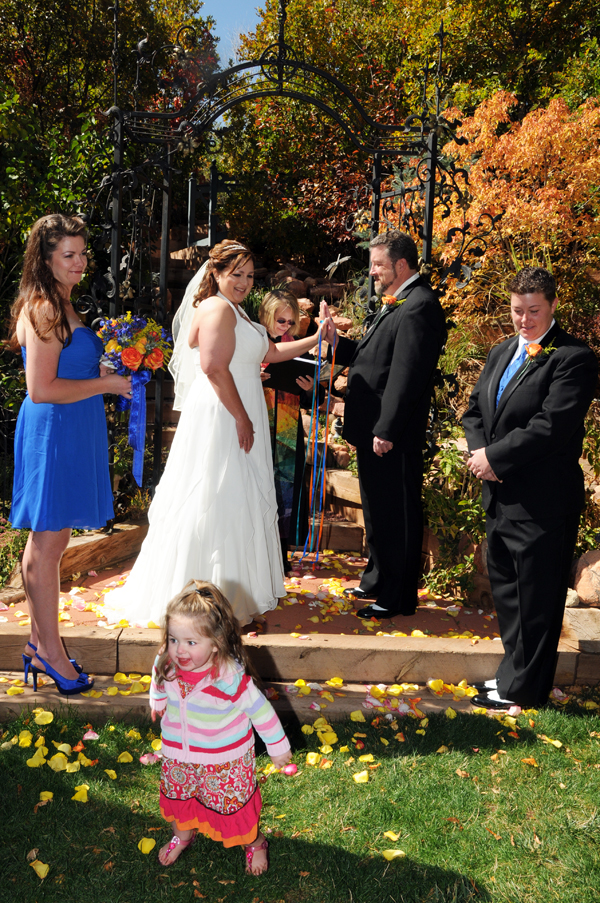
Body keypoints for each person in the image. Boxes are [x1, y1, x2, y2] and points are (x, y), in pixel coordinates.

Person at [103, 240, 329, 627]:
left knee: (236, 497)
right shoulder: (216, 308)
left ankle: (230, 590)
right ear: (216, 274)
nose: (243, 282)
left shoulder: (235, 311)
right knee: (215, 495)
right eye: (235, 274)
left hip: (238, 406)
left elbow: (269, 354)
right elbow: (211, 366)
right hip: (224, 413)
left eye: (249, 275)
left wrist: (320, 338)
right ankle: (205, 594)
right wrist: (242, 417)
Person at [463, 267, 598, 709]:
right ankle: (510, 677)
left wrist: (495, 458)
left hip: (543, 500)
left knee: (537, 602)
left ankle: (525, 691)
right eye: (517, 310)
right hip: (499, 497)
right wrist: (483, 456)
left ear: (553, 305)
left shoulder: (574, 357)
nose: (524, 320)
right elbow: (474, 413)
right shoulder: (502, 351)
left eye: (534, 311)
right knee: (508, 596)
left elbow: (552, 426)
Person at [9, 213, 132, 695]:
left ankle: (39, 644)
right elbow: (40, 389)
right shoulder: (42, 307)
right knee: (49, 543)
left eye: (82, 254)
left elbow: (66, 367)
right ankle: (50, 652)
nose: (80, 263)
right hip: (53, 430)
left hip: (70, 425)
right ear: (45, 258)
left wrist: (103, 365)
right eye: (69, 255)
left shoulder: (63, 303)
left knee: (48, 543)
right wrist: (106, 383)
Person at [321, 230, 447, 619]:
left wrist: (387, 429)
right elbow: (371, 355)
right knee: (376, 509)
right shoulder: (397, 302)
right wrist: (334, 340)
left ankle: (397, 595)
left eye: (378, 264)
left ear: (401, 265)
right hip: (372, 427)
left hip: (391, 433)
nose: (372, 272)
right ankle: (377, 577)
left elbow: (407, 375)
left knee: (397, 514)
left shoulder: (420, 306)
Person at [150, 579, 292, 874]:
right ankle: (182, 835)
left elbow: (260, 711)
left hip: (223, 762)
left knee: (233, 810)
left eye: (191, 642)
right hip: (179, 755)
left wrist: (278, 748)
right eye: (174, 639)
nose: (179, 650)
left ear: (216, 644)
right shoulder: (168, 663)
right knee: (181, 799)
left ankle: (254, 843)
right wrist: (158, 699)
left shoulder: (228, 678)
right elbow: (158, 676)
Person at [258, 289, 323, 569]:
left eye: (289, 322)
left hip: (287, 423)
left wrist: (310, 390)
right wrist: (251, 377)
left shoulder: (297, 346)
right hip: (256, 419)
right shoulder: (251, 341)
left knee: (285, 486)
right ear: (265, 315)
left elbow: (315, 397)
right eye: (279, 321)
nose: (284, 327)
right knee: (257, 483)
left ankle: (279, 556)